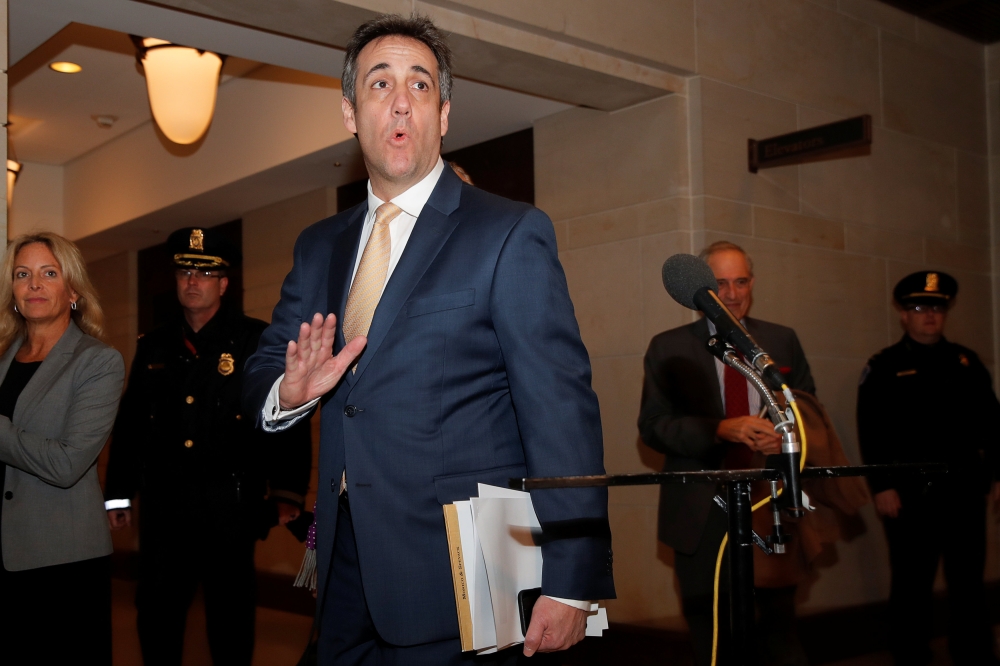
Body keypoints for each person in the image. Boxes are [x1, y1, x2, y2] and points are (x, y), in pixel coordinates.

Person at [242, 13, 614, 665]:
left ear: (443, 114)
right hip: (346, 551)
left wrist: (572, 583)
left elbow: (561, 412)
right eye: (379, 84)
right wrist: (287, 391)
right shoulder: (319, 247)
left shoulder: (507, 232)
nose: (400, 101)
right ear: (351, 112)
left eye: (419, 85)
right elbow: (264, 368)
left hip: (484, 549)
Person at [103, 227, 312, 666]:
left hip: (230, 508)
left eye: (203, 273)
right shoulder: (154, 345)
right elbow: (132, 424)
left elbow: (288, 418)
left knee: (230, 620)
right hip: (164, 509)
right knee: (157, 615)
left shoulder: (255, 341)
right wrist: (118, 494)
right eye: (184, 272)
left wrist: (287, 493)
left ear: (223, 283)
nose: (192, 281)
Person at [638, 241, 815, 666]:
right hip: (701, 514)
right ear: (701, 289)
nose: (733, 294)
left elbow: (810, 410)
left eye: (741, 281)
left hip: (769, 505)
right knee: (713, 636)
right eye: (720, 284)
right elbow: (654, 427)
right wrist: (719, 429)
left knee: (778, 632)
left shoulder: (780, 341)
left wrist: (784, 432)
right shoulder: (669, 346)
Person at [858, 271, 1000, 666]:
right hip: (909, 497)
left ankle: (974, 654)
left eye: (936, 307)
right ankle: (910, 655)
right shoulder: (884, 366)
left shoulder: (967, 363)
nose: (929, 315)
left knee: (968, 582)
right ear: (903, 315)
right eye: (919, 307)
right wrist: (882, 485)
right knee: (911, 583)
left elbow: (993, 424)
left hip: (964, 492)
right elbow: (872, 432)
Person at [0, 232, 125, 664]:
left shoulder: (97, 362)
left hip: (60, 563)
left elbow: (67, 462)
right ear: (13, 292)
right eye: (22, 274)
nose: (34, 284)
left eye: (48, 273)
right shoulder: (2, 359)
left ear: (72, 290)